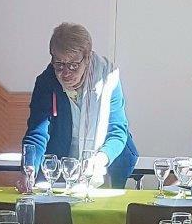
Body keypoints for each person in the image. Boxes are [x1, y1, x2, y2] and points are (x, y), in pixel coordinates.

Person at [18, 23, 138, 191]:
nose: (66, 72)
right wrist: (29, 166)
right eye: (59, 64)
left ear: (87, 58)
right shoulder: (46, 82)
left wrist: (100, 159)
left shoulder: (107, 78)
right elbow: (38, 132)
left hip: (107, 163)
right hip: (63, 162)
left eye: (73, 65)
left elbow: (117, 132)